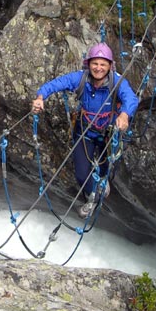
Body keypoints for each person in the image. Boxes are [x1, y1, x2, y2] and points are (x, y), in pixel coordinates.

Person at [31, 42, 139, 218]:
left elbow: (131, 98)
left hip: (109, 131)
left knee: (106, 169)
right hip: (85, 130)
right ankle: (92, 196)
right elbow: (57, 84)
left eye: (103, 64)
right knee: (82, 174)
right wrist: (40, 96)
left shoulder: (117, 81)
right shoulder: (80, 78)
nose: (98, 68)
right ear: (88, 64)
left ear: (110, 66)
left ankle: (102, 184)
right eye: (95, 63)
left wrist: (125, 115)